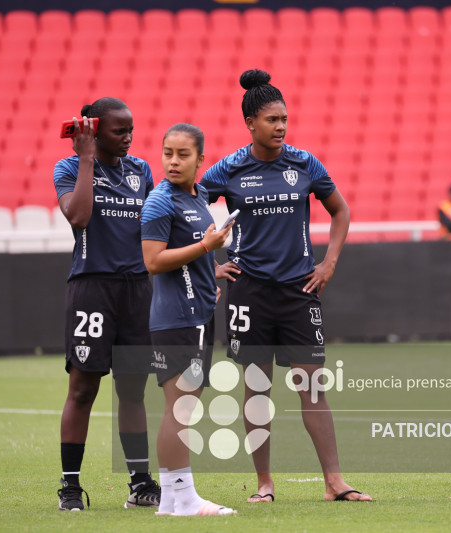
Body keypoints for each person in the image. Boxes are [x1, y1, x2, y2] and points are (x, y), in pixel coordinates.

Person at [199, 69, 371, 503]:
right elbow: (185, 207)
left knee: (312, 385)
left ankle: (335, 482)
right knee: (257, 388)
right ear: (250, 123)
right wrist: (209, 263)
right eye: (272, 120)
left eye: (284, 120)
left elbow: (341, 211)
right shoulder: (230, 168)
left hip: (299, 290)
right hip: (249, 291)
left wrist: (328, 262)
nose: (280, 127)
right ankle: (264, 484)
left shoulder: (304, 163)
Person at [54, 97, 160, 510]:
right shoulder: (68, 169)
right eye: (120, 130)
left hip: (137, 290)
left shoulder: (141, 171)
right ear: (95, 132)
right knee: (83, 389)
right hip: (92, 289)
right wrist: (84, 159)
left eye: (131, 129)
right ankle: (69, 487)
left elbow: (159, 228)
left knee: (132, 391)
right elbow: (78, 217)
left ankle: (140, 482)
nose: (129, 138)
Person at [140, 123, 238, 516]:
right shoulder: (161, 201)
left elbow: (184, 257)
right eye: (168, 153)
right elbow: (152, 261)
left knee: (182, 407)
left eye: (182, 154)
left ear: (200, 159)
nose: (174, 161)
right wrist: (206, 246)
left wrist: (207, 272)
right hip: (177, 321)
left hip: (193, 315)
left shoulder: (195, 198)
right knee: (179, 408)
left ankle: (169, 499)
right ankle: (186, 498)